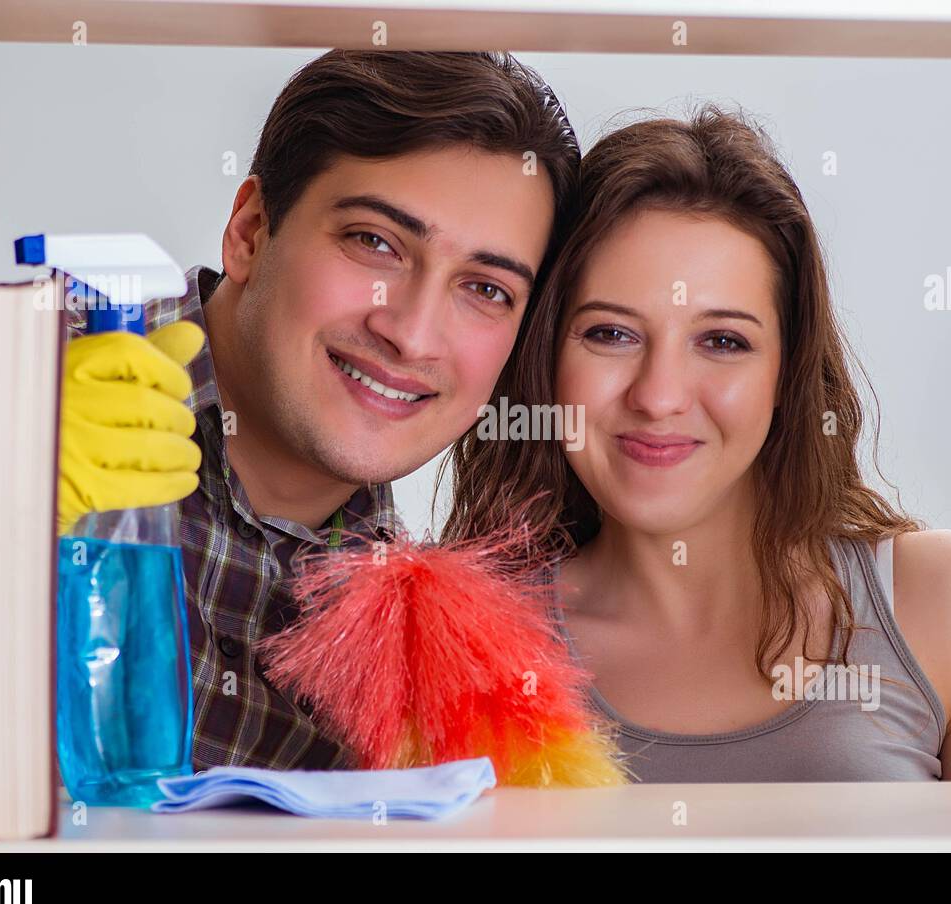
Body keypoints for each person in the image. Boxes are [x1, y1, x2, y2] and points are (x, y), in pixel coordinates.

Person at [57, 50, 580, 771]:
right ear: (250, 231)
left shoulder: (414, 655)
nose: (411, 333)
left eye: (486, 289)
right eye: (375, 243)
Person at [445, 105, 951, 782]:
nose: (659, 395)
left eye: (722, 341)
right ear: (545, 356)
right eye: (610, 333)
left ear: (786, 374)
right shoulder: (465, 649)